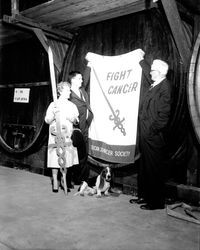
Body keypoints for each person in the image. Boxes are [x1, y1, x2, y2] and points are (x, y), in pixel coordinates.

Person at [130, 50, 173, 210]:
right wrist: (140, 60)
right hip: (145, 134)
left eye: (153, 71)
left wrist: (151, 131)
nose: (150, 73)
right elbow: (148, 75)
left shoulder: (165, 87)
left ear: (161, 72)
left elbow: (163, 116)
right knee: (144, 166)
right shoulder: (156, 84)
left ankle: (156, 202)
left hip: (153, 136)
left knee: (153, 168)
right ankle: (144, 196)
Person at [45, 81, 79, 193]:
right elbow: (47, 120)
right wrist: (53, 115)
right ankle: (55, 180)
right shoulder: (53, 104)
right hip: (55, 135)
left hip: (67, 135)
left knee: (66, 158)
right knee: (55, 158)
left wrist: (72, 118)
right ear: (60, 91)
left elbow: (76, 120)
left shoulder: (72, 105)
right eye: (67, 89)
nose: (70, 91)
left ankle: (63, 180)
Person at [68, 71, 94, 186]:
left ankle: (82, 179)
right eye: (79, 78)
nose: (82, 81)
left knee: (84, 154)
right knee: (75, 153)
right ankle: (73, 177)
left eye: (82, 78)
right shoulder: (69, 94)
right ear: (72, 80)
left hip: (85, 127)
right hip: (75, 129)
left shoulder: (82, 91)